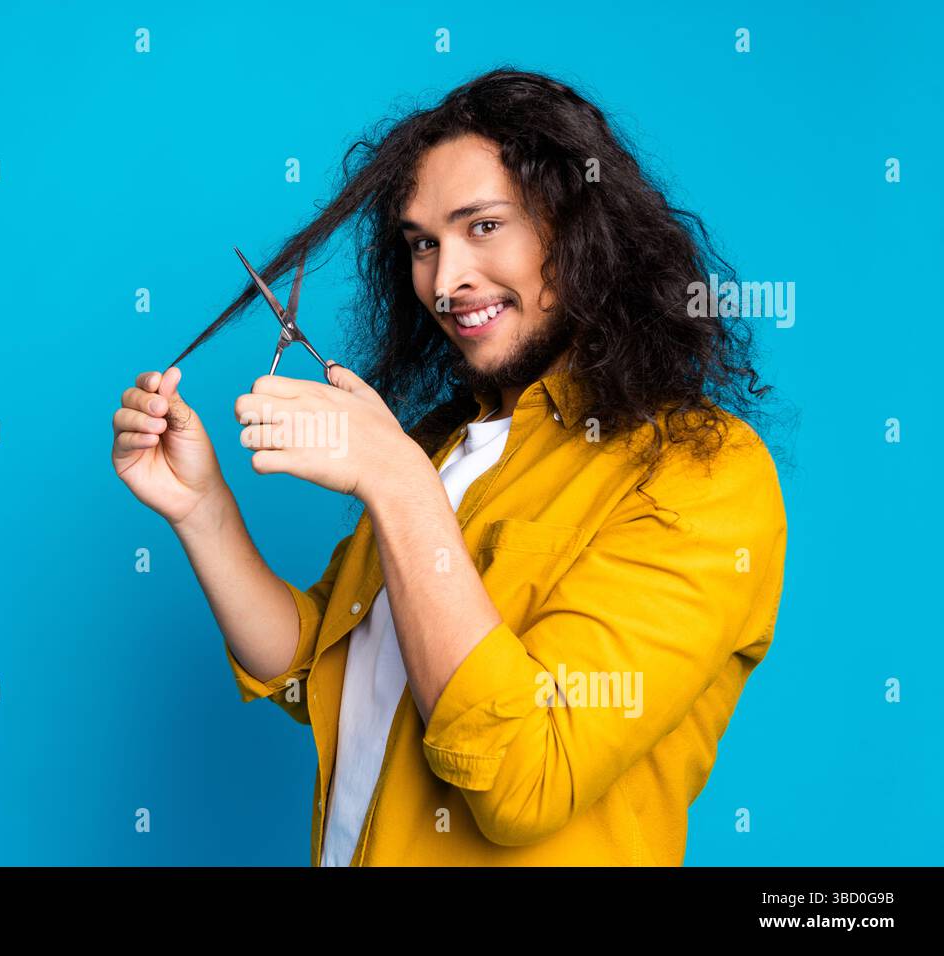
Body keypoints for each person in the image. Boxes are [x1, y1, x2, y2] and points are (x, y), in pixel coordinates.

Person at [111, 68, 787, 866]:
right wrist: (201, 511)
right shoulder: (444, 446)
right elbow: (316, 676)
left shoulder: (701, 474)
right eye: (423, 243)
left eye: (484, 227)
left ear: (578, 231)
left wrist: (398, 485)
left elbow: (526, 777)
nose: (446, 279)